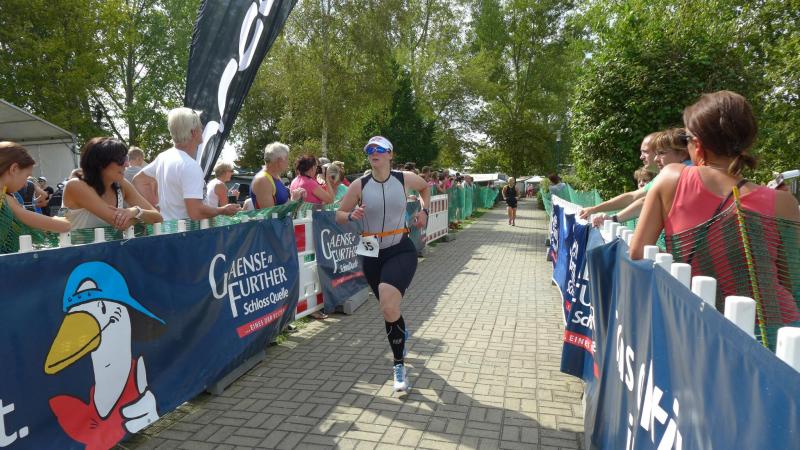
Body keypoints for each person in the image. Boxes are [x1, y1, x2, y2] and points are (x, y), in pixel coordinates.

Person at [630, 91, 800, 321]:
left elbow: (638, 252)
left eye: (687, 139)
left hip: (702, 322)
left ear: (698, 144)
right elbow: (791, 281)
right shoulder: (784, 201)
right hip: (776, 326)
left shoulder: (671, 178)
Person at [336, 136, 430, 393]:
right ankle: (400, 332)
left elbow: (425, 188)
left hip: (400, 247)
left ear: (390, 154)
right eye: (369, 149)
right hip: (370, 250)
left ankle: (399, 367)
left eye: (379, 149)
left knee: (388, 305)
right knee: (389, 310)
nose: (373, 152)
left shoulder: (404, 178)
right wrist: (350, 215)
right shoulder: (359, 184)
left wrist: (424, 211)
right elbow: (339, 215)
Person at [133, 108, 240, 221]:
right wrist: (222, 210)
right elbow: (196, 213)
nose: (202, 129)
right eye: (200, 127)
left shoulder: (164, 157)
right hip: (187, 230)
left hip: (167, 228)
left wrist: (156, 209)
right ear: (193, 132)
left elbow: (139, 180)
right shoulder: (189, 165)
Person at [62, 137, 162, 230]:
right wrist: (144, 217)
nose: (127, 164)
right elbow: (122, 224)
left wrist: (136, 211)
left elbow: (158, 218)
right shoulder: (76, 185)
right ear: (100, 163)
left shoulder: (121, 184)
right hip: (76, 245)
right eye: (121, 160)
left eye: (126, 158)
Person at [578, 132, 660, 220]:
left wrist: (612, 218)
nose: (641, 157)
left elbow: (643, 201)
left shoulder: (665, 178)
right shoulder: (659, 178)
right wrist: (594, 209)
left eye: (645, 152)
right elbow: (632, 197)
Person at [0, 142, 71, 237]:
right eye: (27, 176)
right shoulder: (5, 198)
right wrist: (63, 221)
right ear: (14, 169)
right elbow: (63, 226)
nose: (26, 184)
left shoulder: (6, 195)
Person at [250, 142, 305, 209]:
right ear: (280, 161)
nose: (288, 162)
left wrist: (298, 196)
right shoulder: (263, 180)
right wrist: (293, 200)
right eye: (287, 159)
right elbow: (269, 213)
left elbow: (284, 202)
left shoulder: (275, 176)